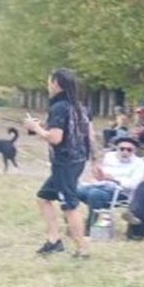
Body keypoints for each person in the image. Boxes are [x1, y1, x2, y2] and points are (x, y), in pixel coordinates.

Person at [24, 68, 93, 258]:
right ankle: (54, 240)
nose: (48, 85)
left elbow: (55, 138)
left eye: (49, 81)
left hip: (65, 163)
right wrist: (38, 128)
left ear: (56, 83)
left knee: (70, 205)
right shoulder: (77, 106)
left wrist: (36, 127)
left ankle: (82, 248)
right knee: (43, 197)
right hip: (77, 160)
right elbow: (87, 134)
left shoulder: (59, 107)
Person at [78, 136, 144, 231]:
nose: (125, 152)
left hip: (120, 192)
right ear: (117, 148)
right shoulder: (109, 156)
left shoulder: (139, 163)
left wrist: (114, 179)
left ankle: (90, 225)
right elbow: (102, 177)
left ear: (134, 151)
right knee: (75, 190)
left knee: (94, 194)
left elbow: (134, 184)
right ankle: (74, 221)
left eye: (129, 150)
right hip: (101, 185)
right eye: (122, 149)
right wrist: (98, 174)